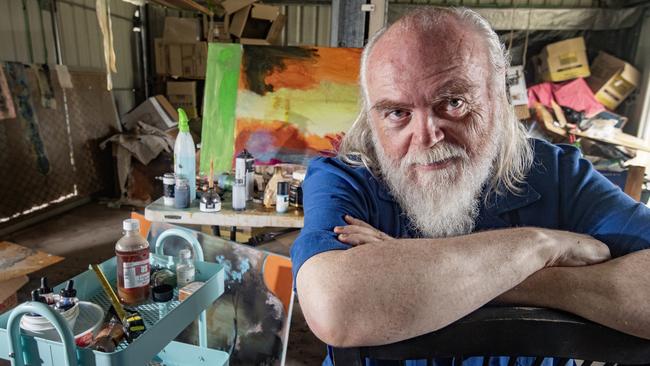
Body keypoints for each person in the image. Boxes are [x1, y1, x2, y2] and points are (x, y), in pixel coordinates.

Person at [290, 7, 650, 366]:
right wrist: (541, 247)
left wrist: (409, 263)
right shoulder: (346, 178)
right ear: (372, 117)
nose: (426, 136)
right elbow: (336, 308)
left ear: (497, 98)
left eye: (453, 103)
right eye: (398, 113)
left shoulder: (555, 173)